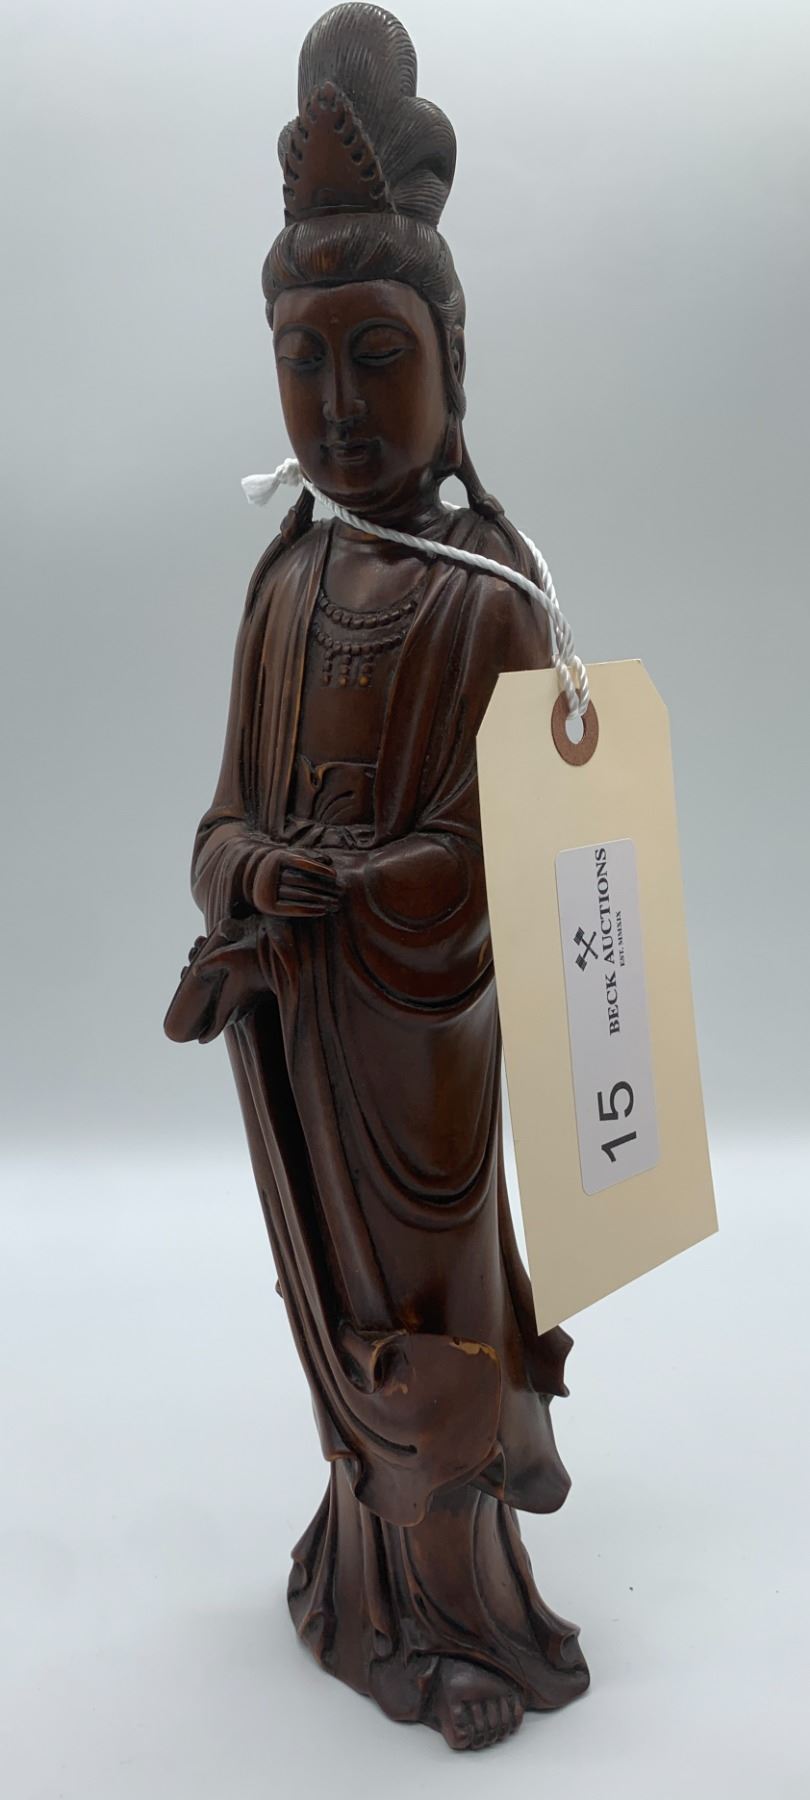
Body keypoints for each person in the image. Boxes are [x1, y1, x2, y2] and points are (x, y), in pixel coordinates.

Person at [166, 2, 589, 1752]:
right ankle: (357, 1588)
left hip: (422, 1053)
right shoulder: (281, 588)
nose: (338, 407)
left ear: (450, 361)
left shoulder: (486, 600)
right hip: (299, 1040)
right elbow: (219, 822)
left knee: (434, 1322)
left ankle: (461, 1607)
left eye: (377, 357)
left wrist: (365, 889)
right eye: (304, 361)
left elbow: (498, 862)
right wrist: (256, 876)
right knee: (331, 1314)